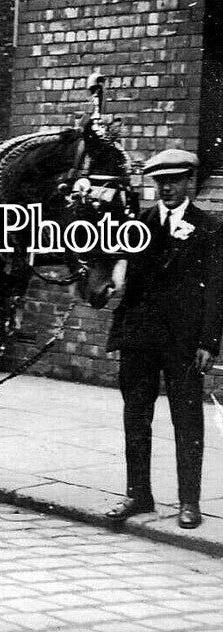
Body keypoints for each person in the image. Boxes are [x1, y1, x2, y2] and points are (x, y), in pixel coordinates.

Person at [105, 149, 222, 530]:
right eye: (160, 181)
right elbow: (121, 277)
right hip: (140, 338)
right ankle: (138, 494)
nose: (167, 188)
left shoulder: (209, 227)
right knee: (135, 417)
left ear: (190, 182)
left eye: (174, 180)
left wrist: (209, 341)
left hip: (183, 342)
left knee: (187, 420)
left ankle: (189, 502)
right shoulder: (138, 224)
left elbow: (216, 291)